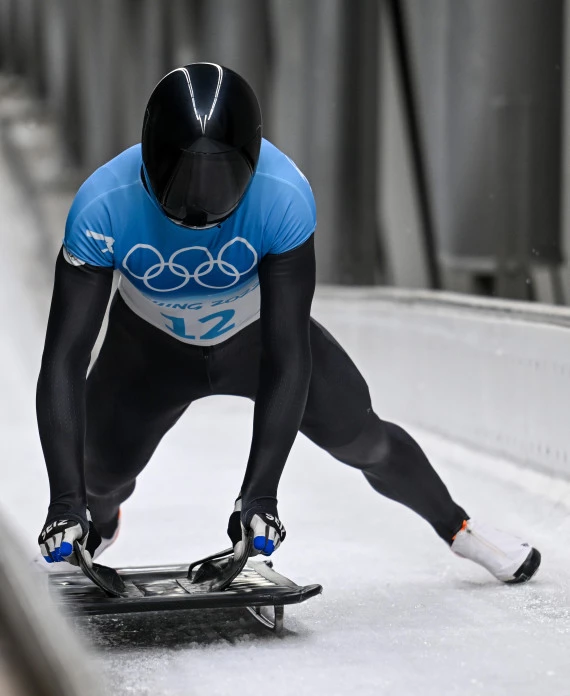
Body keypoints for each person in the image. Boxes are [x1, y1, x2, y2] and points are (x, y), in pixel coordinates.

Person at [37, 63, 540, 584]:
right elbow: (65, 359)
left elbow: (286, 353)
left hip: (253, 342)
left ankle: (458, 528)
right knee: (100, 473)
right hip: (147, 351)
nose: (197, 204)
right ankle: (99, 515)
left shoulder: (284, 195)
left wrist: (261, 494)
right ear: (148, 155)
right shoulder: (100, 206)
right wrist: (65, 499)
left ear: (251, 165)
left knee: (362, 437)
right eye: (182, 178)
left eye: (220, 181)